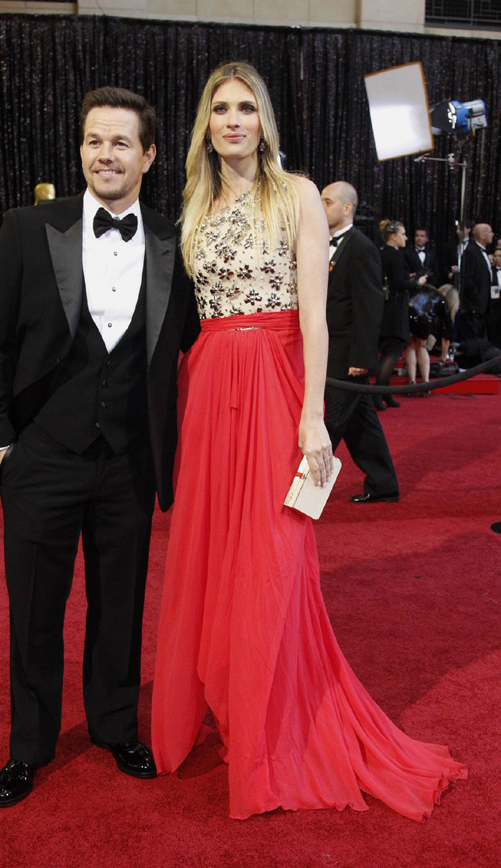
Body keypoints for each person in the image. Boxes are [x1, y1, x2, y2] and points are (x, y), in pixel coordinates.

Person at [151, 62, 466, 822]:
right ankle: (226, 702)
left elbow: (317, 318)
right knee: (212, 551)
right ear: (205, 123)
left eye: (246, 109)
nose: (234, 121)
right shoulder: (194, 202)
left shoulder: (294, 193)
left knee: (272, 558)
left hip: (273, 386)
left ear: (264, 120)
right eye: (221, 109)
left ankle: (275, 725)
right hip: (209, 389)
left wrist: (313, 414)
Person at [0, 86, 199, 807]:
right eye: (94, 141)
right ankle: (30, 747)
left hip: (129, 460)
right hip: (40, 456)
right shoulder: (26, 227)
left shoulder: (173, 240)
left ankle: (112, 725)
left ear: (149, 155)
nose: (106, 154)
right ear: (81, 150)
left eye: (122, 142)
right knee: (34, 609)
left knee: (121, 604)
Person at [321, 182, 398, 504]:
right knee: (361, 423)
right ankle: (383, 484)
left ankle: (302, 493)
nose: (320, 207)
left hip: (346, 356)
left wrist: (363, 356)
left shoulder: (362, 247)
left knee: (328, 426)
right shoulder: (317, 242)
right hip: (326, 352)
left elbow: (369, 307)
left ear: (347, 208)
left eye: (327, 202)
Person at [375, 220, 428, 406]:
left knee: (389, 350)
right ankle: (378, 394)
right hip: (395, 309)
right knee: (392, 351)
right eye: (403, 234)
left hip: (385, 307)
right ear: (393, 236)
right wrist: (416, 283)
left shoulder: (381, 253)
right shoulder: (395, 256)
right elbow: (398, 283)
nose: (406, 237)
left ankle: (385, 394)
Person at [458, 222, 494, 341]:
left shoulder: (481, 252)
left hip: (483, 306)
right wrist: (477, 299)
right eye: (490, 232)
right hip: (473, 307)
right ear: (482, 235)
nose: (492, 234)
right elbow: (467, 279)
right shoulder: (471, 252)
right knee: (473, 339)